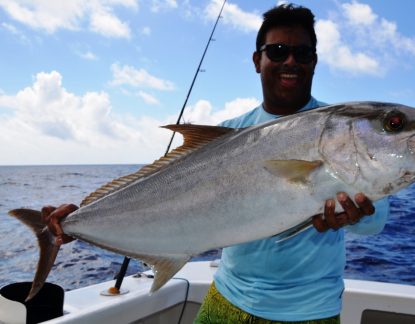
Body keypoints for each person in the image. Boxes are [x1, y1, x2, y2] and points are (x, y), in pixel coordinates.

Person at [43, 4, 389, 323]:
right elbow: (159, 200)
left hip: (310, 310)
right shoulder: (231, 133)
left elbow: (376, 222)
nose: (290, 61)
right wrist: (80, 221)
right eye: (278, 51)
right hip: (229, 297)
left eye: (302, 53)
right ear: (257, 60)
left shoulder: (339, 128)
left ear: (314, 61)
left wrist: (356, 218)